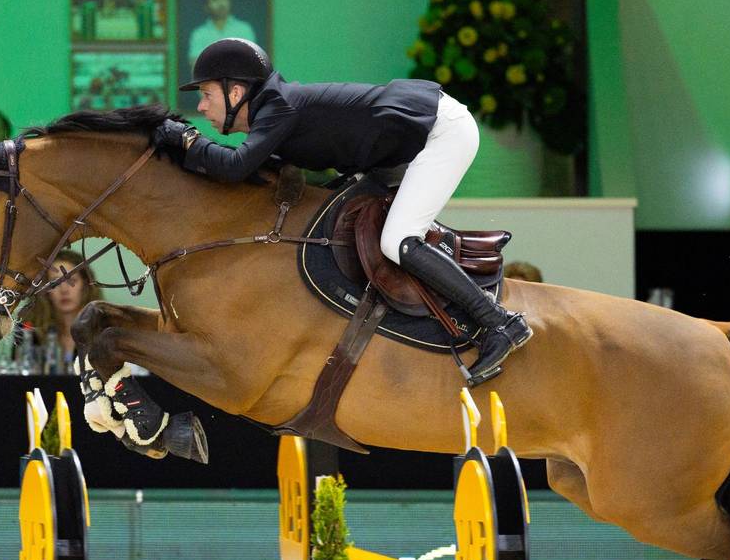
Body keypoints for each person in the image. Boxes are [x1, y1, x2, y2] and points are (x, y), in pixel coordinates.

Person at [155, 38, 532, 383]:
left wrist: (185, 138)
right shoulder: (273, 110)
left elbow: (235, 166)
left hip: (440, 132)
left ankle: (499, 322)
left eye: (206, 94)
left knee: (398, 240)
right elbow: (243, 171)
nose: (201, 106)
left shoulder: (277, 107)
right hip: (401, 146)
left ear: (235, 91)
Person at [20, 249, 104, 374]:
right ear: (45, 290)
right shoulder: (30, 330)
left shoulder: (104, 329)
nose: (64, 290)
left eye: (71, 281)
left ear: (86, 285)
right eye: (55, 283)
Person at [187, 0, 256, 66]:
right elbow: (195, 65)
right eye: (215, 0)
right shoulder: (199, 34)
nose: (221, 4)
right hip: (210, 76)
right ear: (206, 6)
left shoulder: (244, 29)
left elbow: (251, 61)